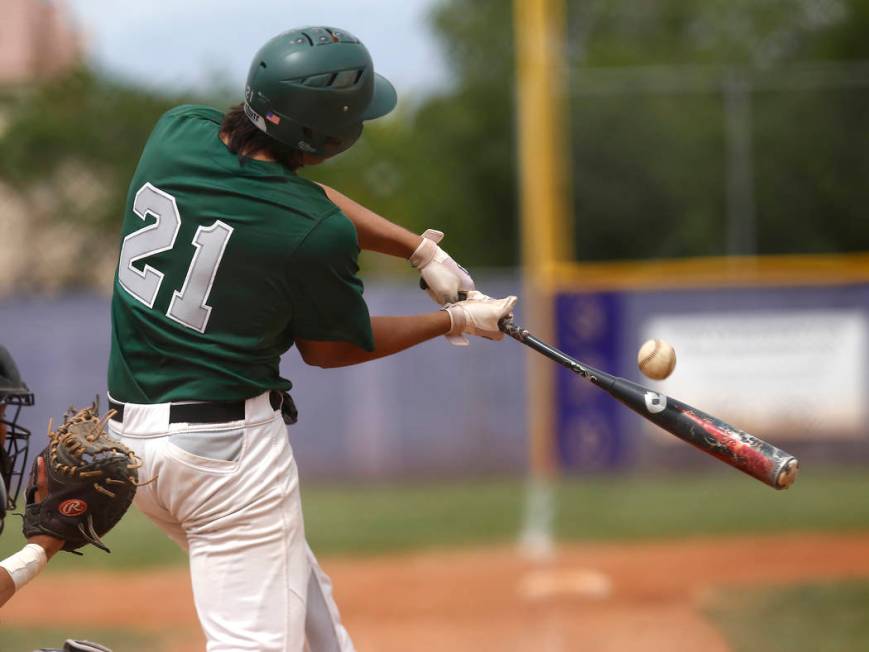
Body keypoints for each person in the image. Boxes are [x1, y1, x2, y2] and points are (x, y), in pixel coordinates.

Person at [105, 25, 518, 652]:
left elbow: (289, 189)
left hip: (131, 446)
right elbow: (333, 350)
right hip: (225, 460)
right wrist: (454, 321)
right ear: (330, 140)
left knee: (309, 623)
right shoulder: (312, 231)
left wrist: (417, 249)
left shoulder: (177, 130)